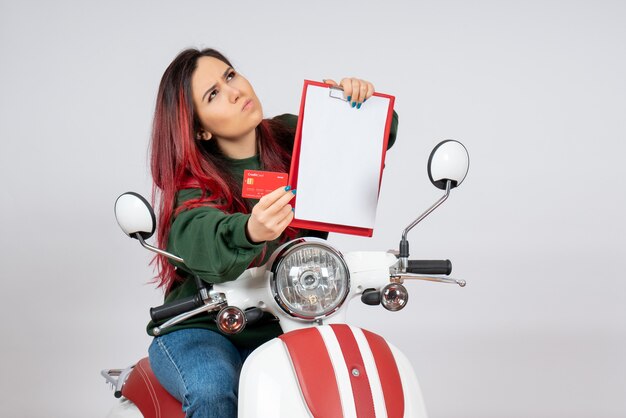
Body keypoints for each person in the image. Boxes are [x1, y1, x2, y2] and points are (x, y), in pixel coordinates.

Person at [146, 47, 398, 417]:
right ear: (198, 127)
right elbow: (200, 236)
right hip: (202, 327)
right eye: (213, 94)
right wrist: (249, 230)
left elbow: (377, 134)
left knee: (338, 381)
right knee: (214, 390)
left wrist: (352, 104)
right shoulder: (192, 186)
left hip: (284, 317)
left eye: (230, 76)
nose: (234, 91)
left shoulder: (289, 136)